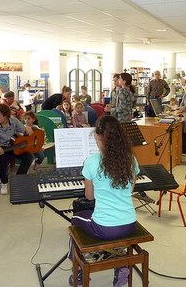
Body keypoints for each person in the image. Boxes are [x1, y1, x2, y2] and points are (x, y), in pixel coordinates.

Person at [69, 115, 139, 287]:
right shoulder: (131, 159)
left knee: (75, 219)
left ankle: (78, 273)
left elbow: (89, 197)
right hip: (130, 223)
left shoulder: (92, 162)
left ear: (99, 137)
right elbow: (130, 189)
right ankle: (121, 265)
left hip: (105, 228)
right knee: (99, 220)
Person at [0, 103, 34, 195]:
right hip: (1, 148)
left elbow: (24, 131)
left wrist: (28, 128)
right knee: (1, 159)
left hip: (14, 146)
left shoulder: (14, 120)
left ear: (5, 115)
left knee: (29, 157)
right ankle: (4, 183)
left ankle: (18, 179)